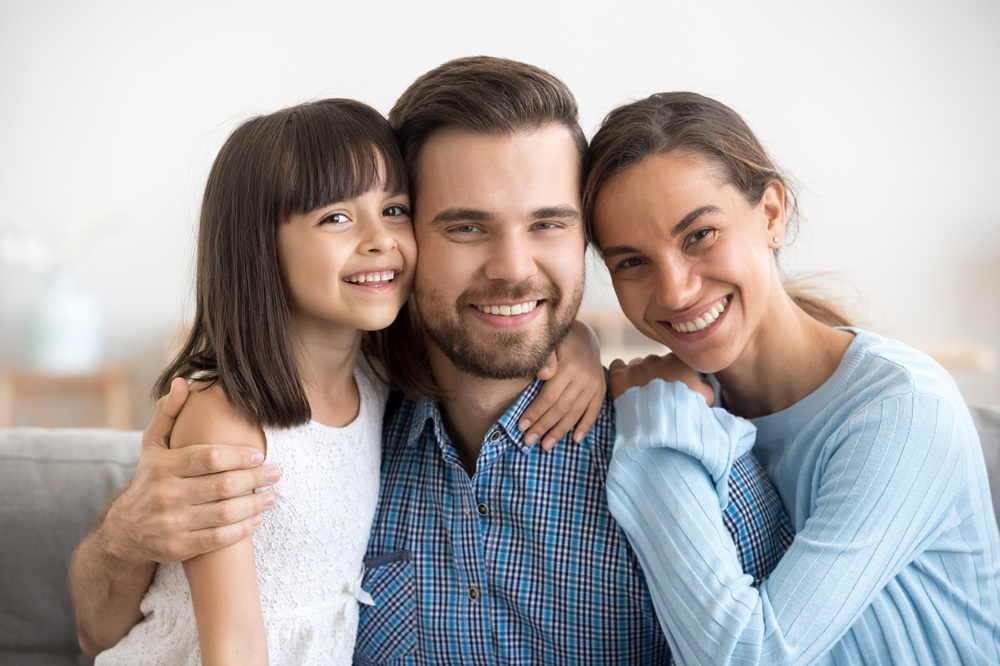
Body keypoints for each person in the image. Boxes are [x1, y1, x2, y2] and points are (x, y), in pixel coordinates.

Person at [71, 58, 793, 664]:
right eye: (468, 227)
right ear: (405, 240)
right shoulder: (336, 421)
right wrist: (126, 537)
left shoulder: (682, 452)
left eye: (548, 223)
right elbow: (106, 632)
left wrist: (583, 341)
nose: (514, 269)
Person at [78, 97, 602, 665]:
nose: (380, 239)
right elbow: (233, 648)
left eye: (394, 210)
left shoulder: (375, 375)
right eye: (335, 217)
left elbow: (506, 331)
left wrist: (575, 339)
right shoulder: (226, 418)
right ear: (259, 245)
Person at [582, 91, 1000, 664]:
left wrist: (659, 426)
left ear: (771, 215)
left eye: (700, 235)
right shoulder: (698, 399)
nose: (675, 291)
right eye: (632, 262)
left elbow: (752, 655)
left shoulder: (903, 409)